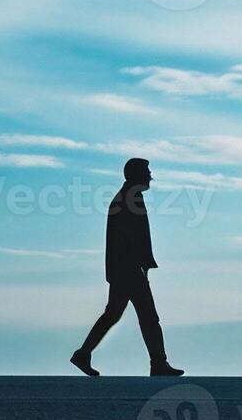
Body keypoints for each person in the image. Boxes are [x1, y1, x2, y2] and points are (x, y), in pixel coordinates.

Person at [70, 158, 184, 377]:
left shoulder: (127, 198)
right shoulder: (129, 200)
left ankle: (83, 354)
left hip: (123, 269)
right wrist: (140, 267)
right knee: (149, 317)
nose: (150, 175)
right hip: (128, 270)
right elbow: (130, 239)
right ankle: (159, 363)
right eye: (147, 171)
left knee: (113, 314)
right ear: (135, 175)